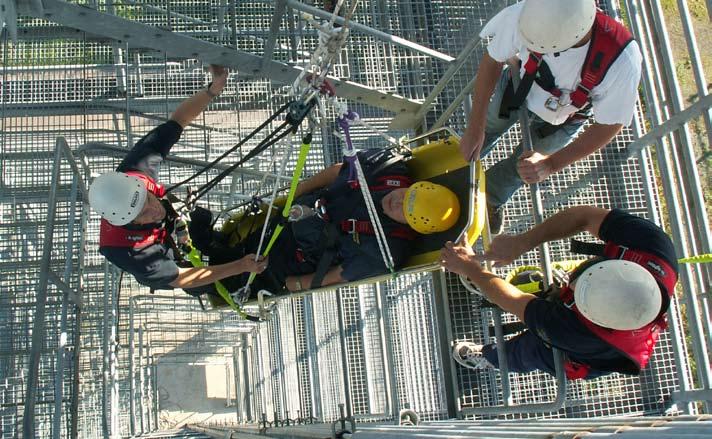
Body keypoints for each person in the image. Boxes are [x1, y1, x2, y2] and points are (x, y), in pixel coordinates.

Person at [460, 0, 643, 233]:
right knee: (488, 127)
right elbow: (493, 59)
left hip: (563, 118)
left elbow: (610, 124)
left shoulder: (622, 61)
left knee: (523, 169)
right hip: (518, 86)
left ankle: (490, 198)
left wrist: (549, 164)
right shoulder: (529, 13)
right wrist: (476, 126)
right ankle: (459, 171)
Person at [88, 65, 268, 297]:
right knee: (215, 280)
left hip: (171, 233)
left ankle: (215, 243)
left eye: (149, 200)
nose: (153, 211)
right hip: (173, 262)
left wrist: (212, 90)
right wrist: (240, 266)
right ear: (127, 222)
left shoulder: (135, 170)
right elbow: (182, 277)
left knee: (202, 219)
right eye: (142, 215)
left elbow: (177, 122)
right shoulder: (129, 252)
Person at [440, 206, 678, 380]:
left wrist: (471, 268)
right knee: (543, 293)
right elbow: (584, 217)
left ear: (589, 314)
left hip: (584, 352)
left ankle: (489, 357)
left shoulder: (576, 334)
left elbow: (514, 301)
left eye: (576, 291)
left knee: (529, 352)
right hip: (592, 316)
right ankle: (489, 286)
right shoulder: (654, 248)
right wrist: (523, 242)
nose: (572, 285)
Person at [193, 147, 462, 297]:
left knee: (224, 282)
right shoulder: (388, 169)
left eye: (406, 211)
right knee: (236, 244)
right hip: (289, 219)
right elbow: (337, 171)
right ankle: (208, 245)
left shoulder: (386, 251)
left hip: (290, 262)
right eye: (408, 194)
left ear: (411, 225)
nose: (397, 200)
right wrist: (292, 196)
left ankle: (190, 276)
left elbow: (337, 276)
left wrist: (293, 285)